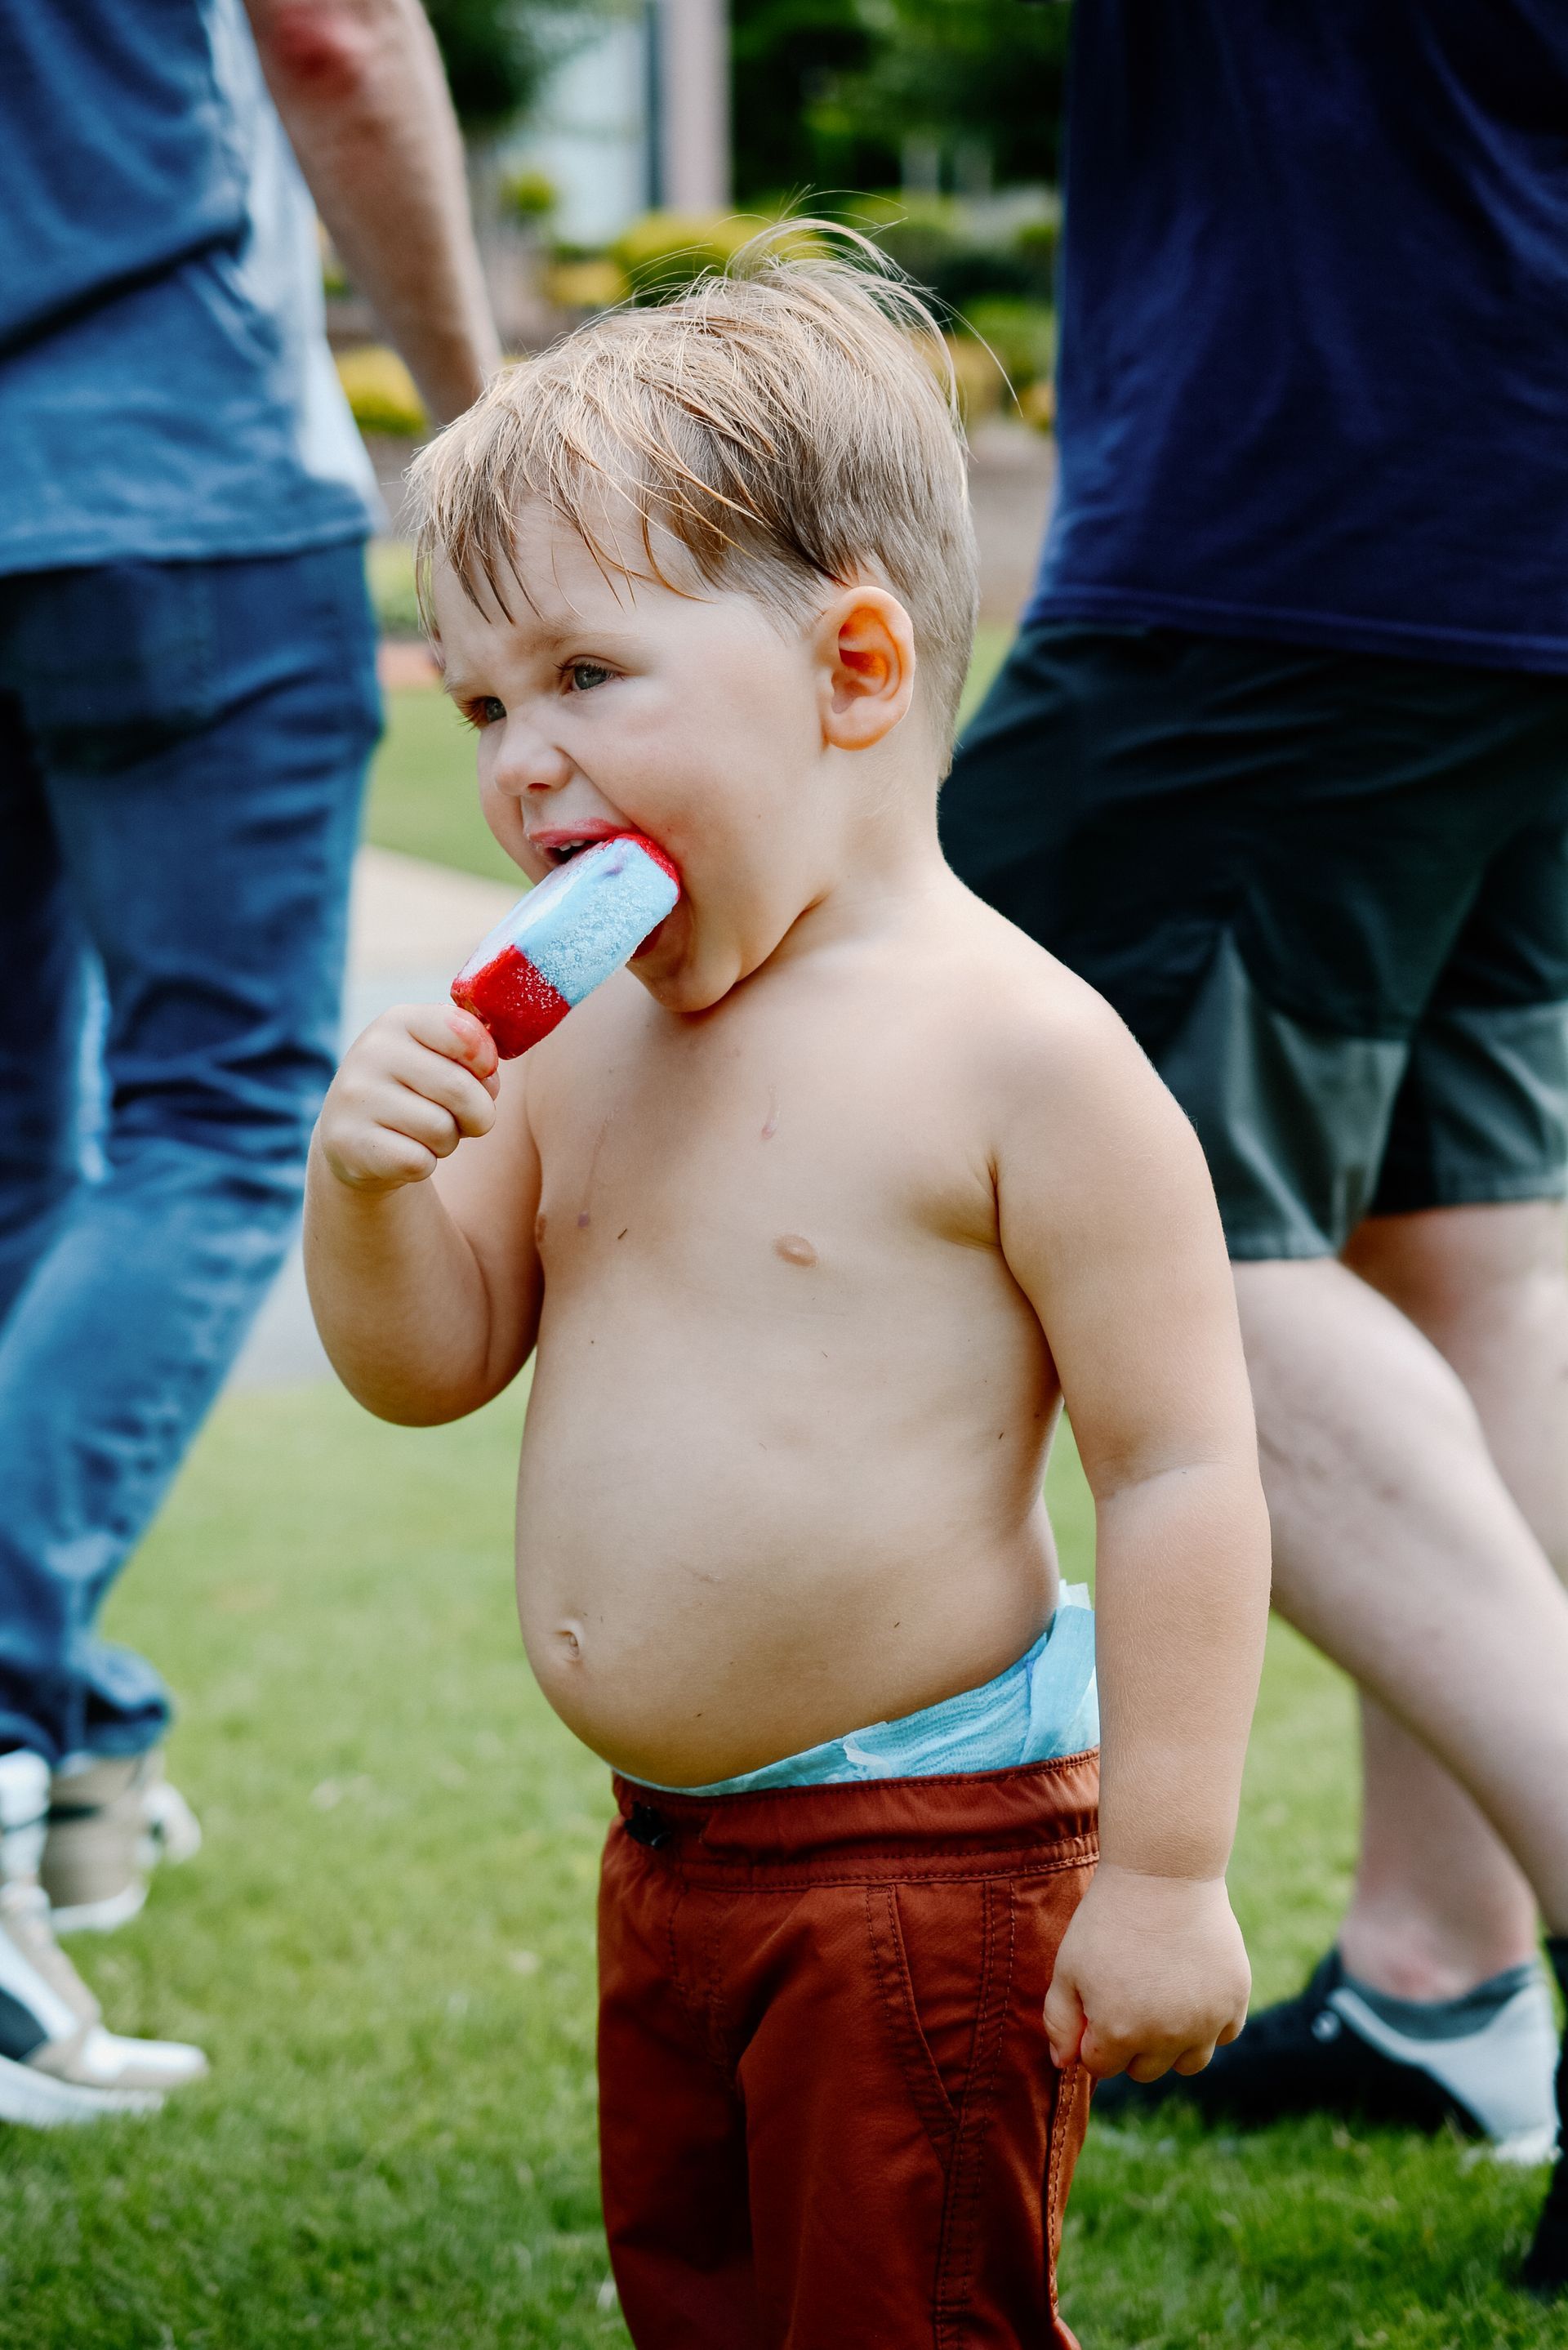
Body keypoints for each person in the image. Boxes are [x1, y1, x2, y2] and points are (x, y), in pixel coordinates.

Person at [303, 241, 1272, 2349]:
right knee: (711, 2299)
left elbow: (1184, 1460)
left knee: (902, 2310)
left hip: (920, 1865)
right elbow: (429, 1367)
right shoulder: (576, 1041)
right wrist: (369, 1194)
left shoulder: (1016, 1053)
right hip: (670, 1859)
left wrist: (1171, 1872)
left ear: (852, 666)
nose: (521, 765)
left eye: (584, 677)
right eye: (481, 705)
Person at [942, 0, 1568, 2294]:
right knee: (1453, 1244)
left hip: (1298, 513)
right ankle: (1445, 1990)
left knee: (1113, 1213)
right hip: (1500, 512)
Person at [0, 0, 498, 2119]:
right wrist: (483, 414)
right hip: (177, 470)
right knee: (218, 1130)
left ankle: (89, 1749)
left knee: (34, 1144)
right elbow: (340, 32)